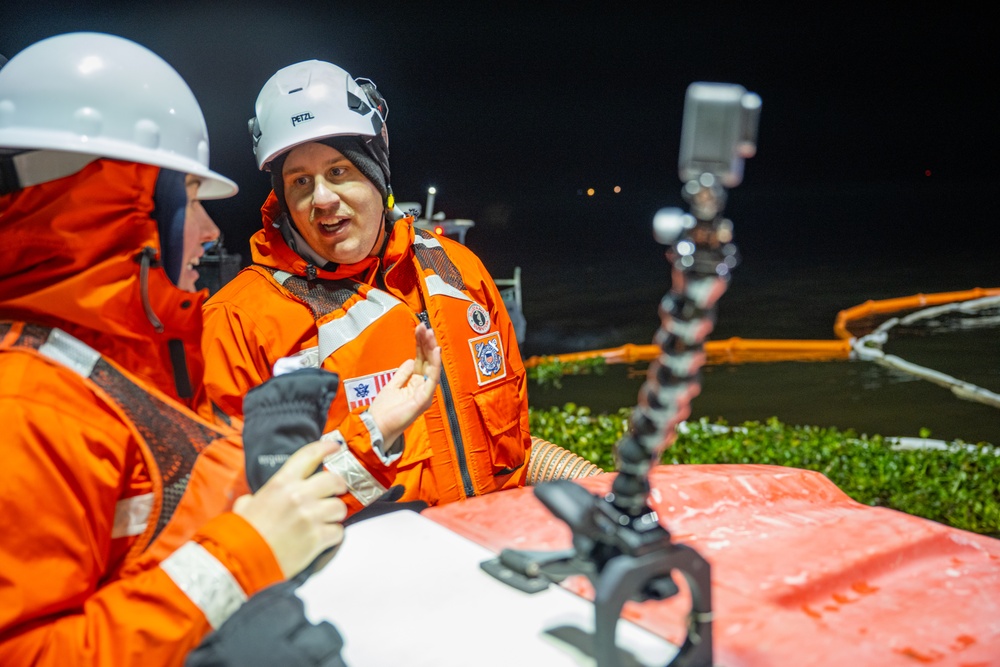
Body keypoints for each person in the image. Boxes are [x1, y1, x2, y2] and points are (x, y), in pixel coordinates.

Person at [0, 32, 439, 666]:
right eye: (186, 204)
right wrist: (246, 554)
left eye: (341, 171)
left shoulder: (105, 369)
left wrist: (375, 433)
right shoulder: (31, 406)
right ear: (111, 214)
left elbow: (234, 509)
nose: (208, 232)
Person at [202, 59, 533, 515]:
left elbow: (517, 443)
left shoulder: (459, 272)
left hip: (497, 562)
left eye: (338, 171)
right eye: (300, 181)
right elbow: (235, 511)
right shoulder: (238, 324)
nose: (321, 199)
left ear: (377, 174)